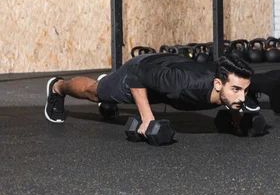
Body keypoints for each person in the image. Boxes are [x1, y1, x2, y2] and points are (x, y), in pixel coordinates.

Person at [44, 53, 258, 135]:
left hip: (164, 76)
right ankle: (58, 87)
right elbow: (139, 76)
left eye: (245, 91)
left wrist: (238, 120)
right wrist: (147, 119)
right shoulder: (183, 85)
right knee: (96, 93)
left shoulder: (230, 87)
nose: (242, 98)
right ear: (218, 84)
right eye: (236, 90)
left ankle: (109, 89)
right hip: (140, 72)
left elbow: (236, 97)